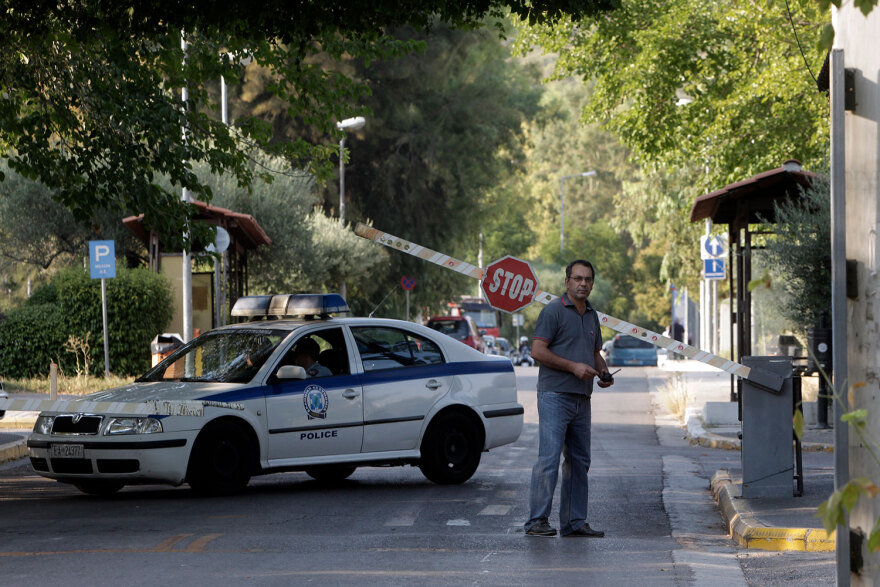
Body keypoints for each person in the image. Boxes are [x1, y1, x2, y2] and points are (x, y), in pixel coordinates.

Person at [524, 259, 614, 538]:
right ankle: (537, 521)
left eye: (588, 279)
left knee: (579, 461)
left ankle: (574, 523)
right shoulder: (553, 311)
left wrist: (603, 371)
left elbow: (595, 351)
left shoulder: (591, 315)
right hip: (554, 395)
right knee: (548, 459)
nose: (583, 284)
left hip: (581, 397)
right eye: (578, 278)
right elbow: (537, 351)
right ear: (567, 282)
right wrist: (572, 367)